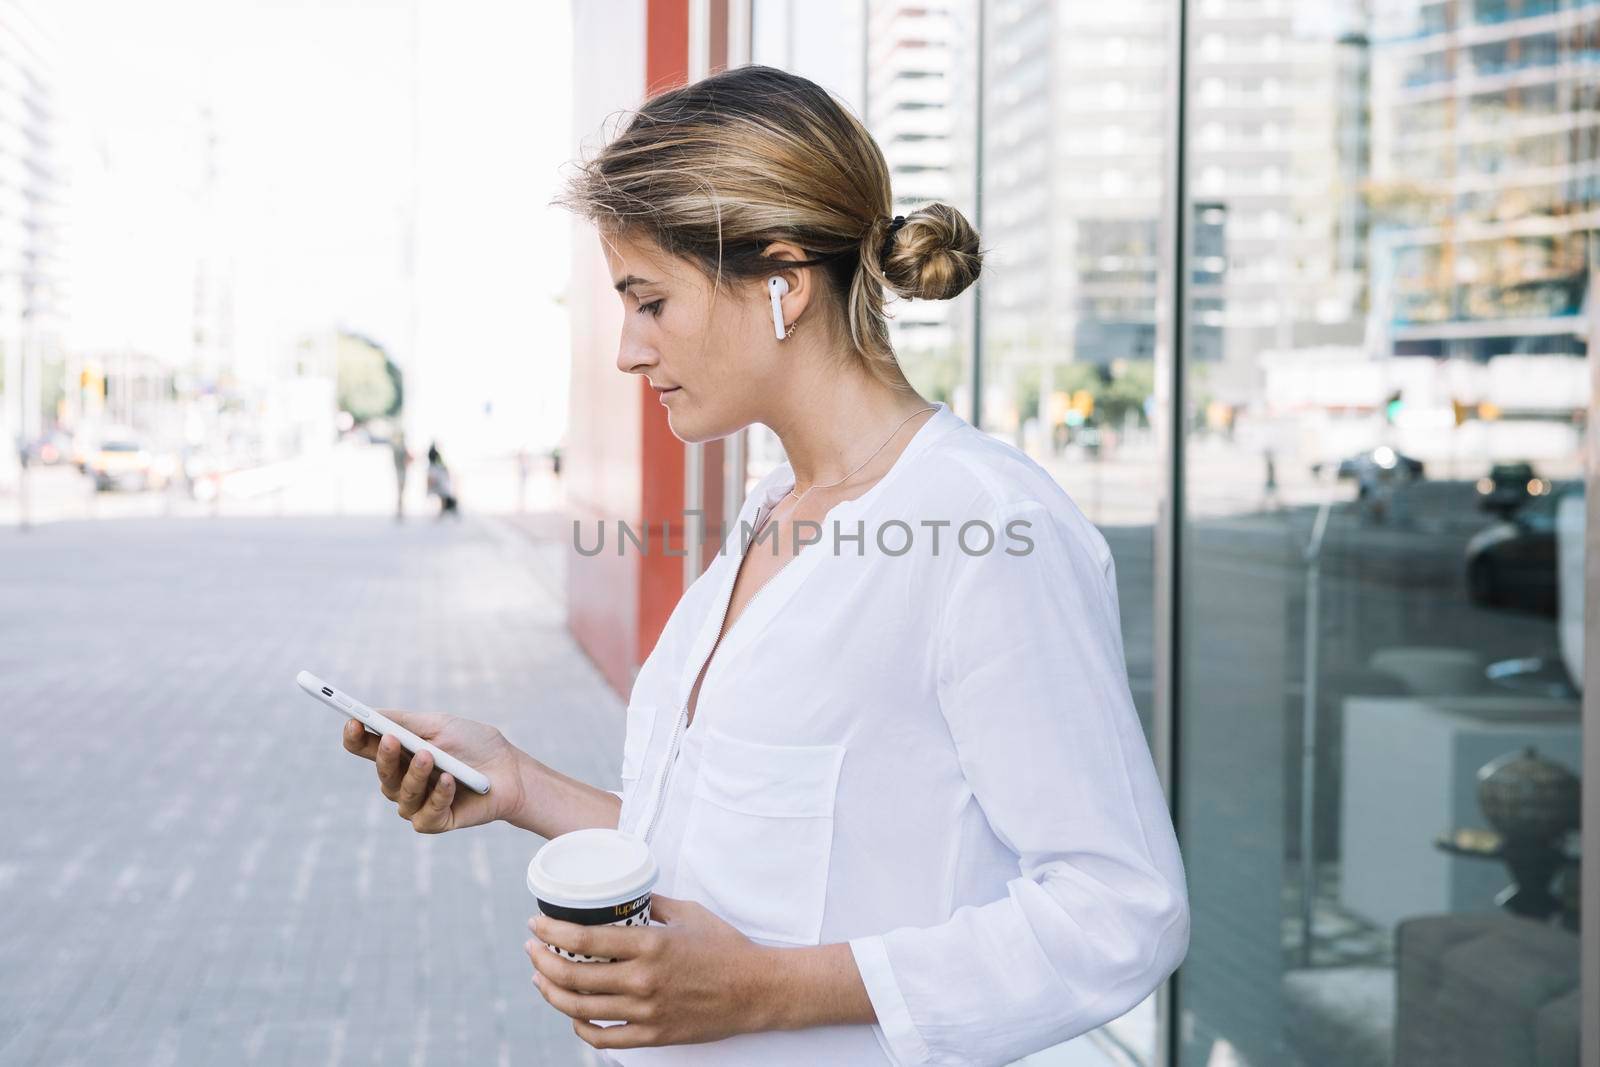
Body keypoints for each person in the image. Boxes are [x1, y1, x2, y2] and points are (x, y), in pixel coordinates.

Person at [337, 64, 1188, 1065]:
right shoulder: (770, 511)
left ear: (780, 281)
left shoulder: (984, 530)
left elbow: (1120, 913)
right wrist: (519, 781)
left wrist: (763, 992)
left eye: (649, 300)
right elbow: (732, 846)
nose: (627, 349)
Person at [425, 442, 458, 518]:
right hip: (437, 472)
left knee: (439, 494)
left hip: (435, 472)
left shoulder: (431, 454)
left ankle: (441, 511)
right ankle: (441, 511)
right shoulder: (437, 454)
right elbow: (441, 463)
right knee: (441, 494)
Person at [391, 429, 413, 520]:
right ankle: (400, 510)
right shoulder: (400, 447)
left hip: (400, 470)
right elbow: (408, 458)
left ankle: (400, 510)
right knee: (401, 491)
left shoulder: (397, 447)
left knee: (401, 491)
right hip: (401, 471)